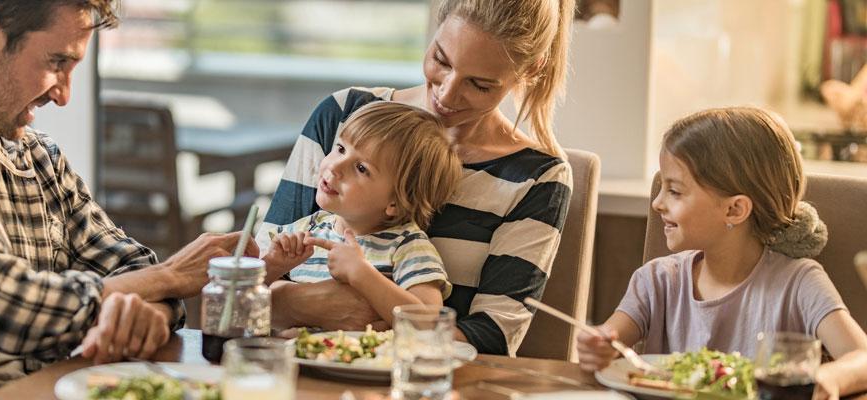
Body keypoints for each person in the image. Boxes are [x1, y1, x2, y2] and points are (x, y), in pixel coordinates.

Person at [0, 1, 255, 398]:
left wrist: (141, 312)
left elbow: (132, 266)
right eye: (57, 62)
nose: (64, 95)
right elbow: (6, 304)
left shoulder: (37, 159)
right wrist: (171, 275)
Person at [263, 0, 575, 356]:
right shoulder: (345, 116)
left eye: (480, 84)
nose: (446, 94)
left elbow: (492, 340)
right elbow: (243, 289)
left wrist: (363, 330)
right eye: (441, 60)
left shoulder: (537, 177)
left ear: (530, 70)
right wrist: (302, 304)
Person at [576, 107, 867, 399]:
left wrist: (828, 378)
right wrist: (596, 348)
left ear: (734, 209)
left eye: (675, 191)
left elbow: (862, 358)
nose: (657, 204)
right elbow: (608, 341)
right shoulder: (656, 280)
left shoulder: (799, 282)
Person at [258, 101, 461, 325]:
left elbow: (430, 323)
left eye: (361, 168)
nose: (335, 167)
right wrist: (273, 266)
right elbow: (239, 301)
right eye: (341, 149)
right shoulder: (301, 232)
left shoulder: (407, 246)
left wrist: (362, 274)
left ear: (395, 202)